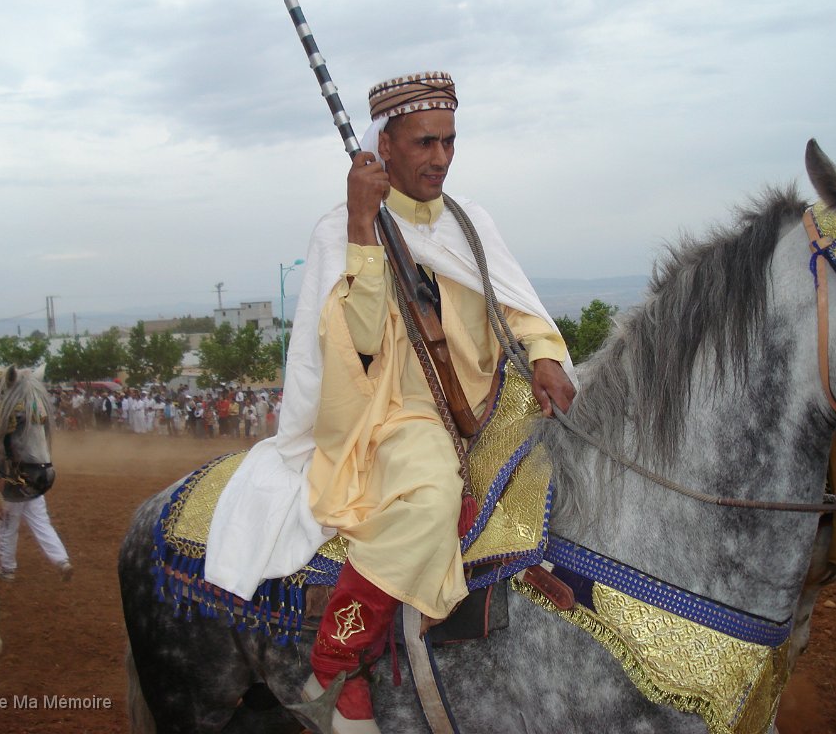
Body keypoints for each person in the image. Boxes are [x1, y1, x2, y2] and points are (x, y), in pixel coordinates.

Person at [206, 71, 575, 732]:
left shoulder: (469, 219)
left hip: (487, 398)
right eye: (425, 143)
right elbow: (360, 344)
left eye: (450, 142)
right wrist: (360, 227)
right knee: (433, 498)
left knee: (570, 461)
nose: (440, 158)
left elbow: (513, 303)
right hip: (394, 412)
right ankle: (337, 660)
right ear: (387, 143)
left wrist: (545, 354)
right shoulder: (341, 229)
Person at [0, 496, 73, 583]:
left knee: (7, 529)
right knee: (43, 526)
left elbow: (0, 482)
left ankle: (7, 570)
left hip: (12, 493)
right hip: (34, 490)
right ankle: (62, 562)